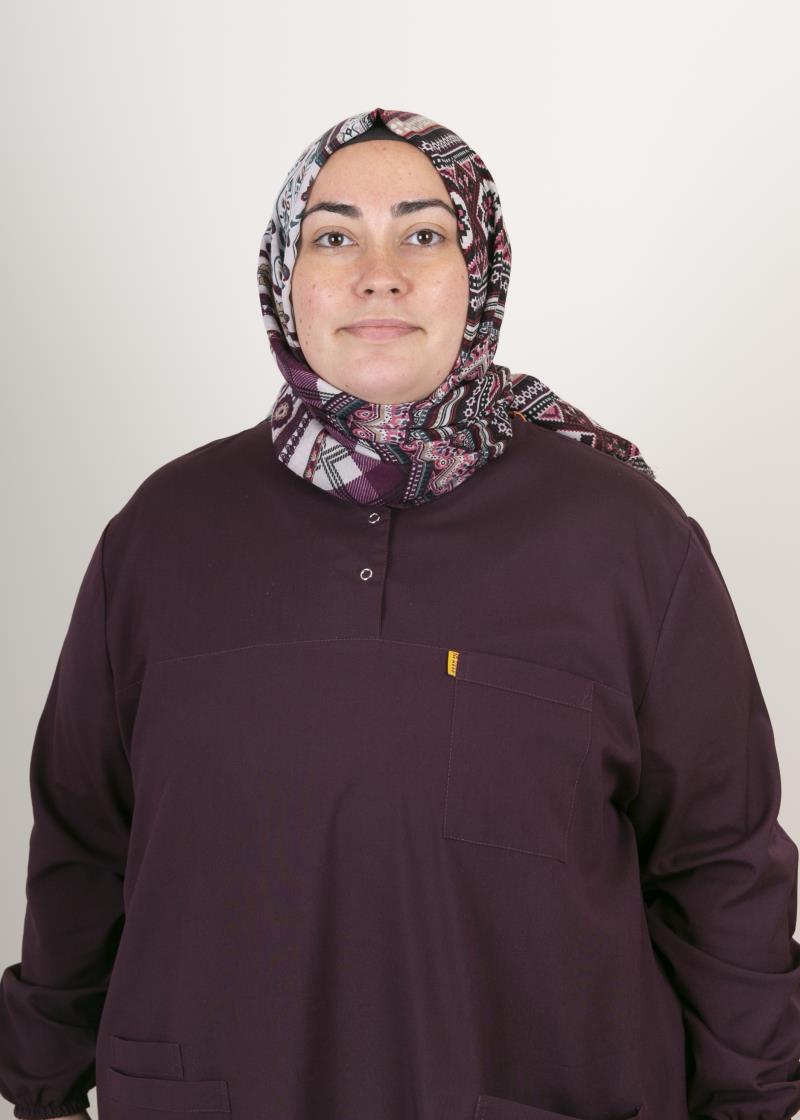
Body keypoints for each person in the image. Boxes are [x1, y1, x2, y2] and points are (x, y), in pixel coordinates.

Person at [0, 105, 798, 1120]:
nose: (379, 274)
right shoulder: (161, 536)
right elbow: (82, 842)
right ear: (284, 276)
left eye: (422, 234)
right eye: (334, 237)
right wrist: (43, 1084)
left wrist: (753, 1101)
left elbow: (718, 862)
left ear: (480, 270)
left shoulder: (629, 539)